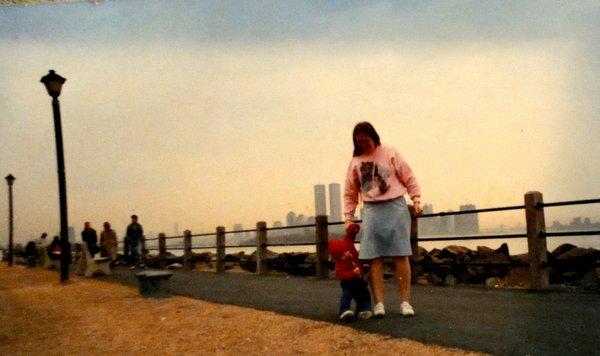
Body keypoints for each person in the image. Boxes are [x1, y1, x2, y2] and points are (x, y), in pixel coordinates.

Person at [344, 122, 422, 317]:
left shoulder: (390, 152)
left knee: (401, 255)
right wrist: (348, 218)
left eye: (366, 140)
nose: (363, 144)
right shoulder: (355, 162)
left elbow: (408, 176)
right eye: (359, 142)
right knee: (374, 258)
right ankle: (379, 304)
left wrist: (416, 198)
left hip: (395, 205)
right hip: (371, 210)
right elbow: (350, 192)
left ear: (374, 137)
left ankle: (405, 302)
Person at [328, 222, 373, 321]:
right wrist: (353, 273)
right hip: (348, 282)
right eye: (344, 255)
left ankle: (364, 309)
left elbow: (350, 236)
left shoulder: (348, 244)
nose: (347, 255)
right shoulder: (339, 265)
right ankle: (344, 310)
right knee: (347, 295)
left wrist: (354, 228)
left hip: (358, 279)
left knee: (364, 294)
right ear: (338, 257)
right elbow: (341, 275)